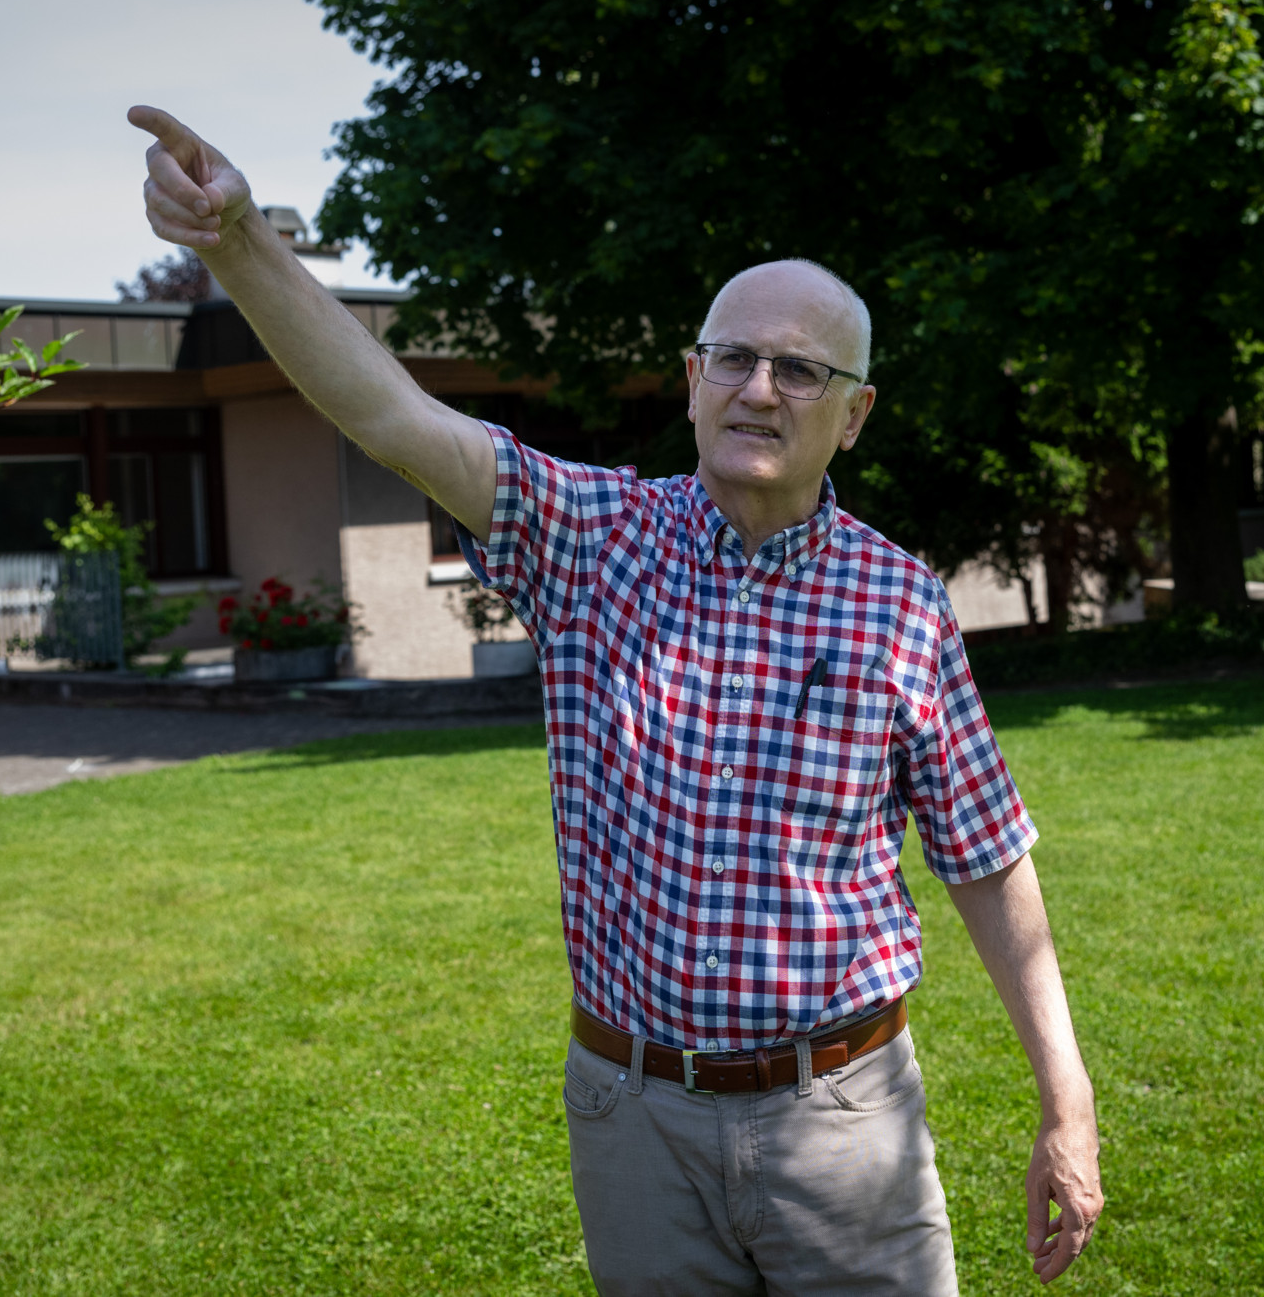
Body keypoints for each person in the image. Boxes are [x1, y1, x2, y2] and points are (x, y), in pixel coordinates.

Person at [129, 104, 1104, 1294]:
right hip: (633, 1117)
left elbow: (985, 855)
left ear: (850, 416)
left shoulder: (899, 602)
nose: (759, 389)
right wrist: (238, 245)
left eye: (799, 369)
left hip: (845, 1121)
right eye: (733, 359)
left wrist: (1065, 1098)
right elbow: (391, 415)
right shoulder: (590, 538)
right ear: (691, 381)